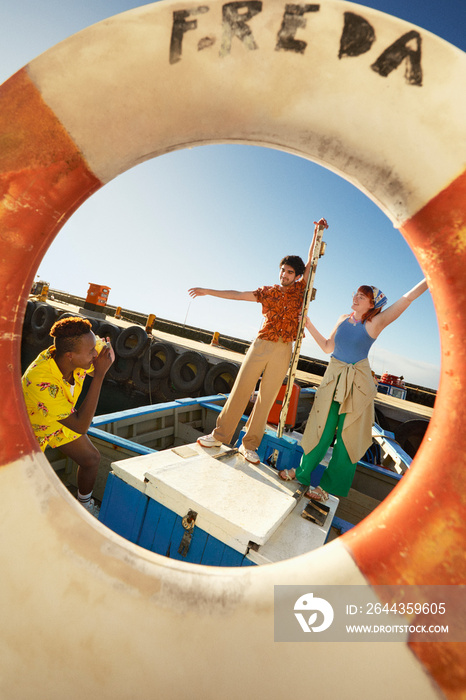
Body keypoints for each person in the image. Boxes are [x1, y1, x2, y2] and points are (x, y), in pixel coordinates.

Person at [279, 279, 428, 500]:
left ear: (371, 304)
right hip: (333, 381)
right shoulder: (341, 319)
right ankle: (302, 473)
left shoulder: (375, 323)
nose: (355, 297)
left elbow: (407, 298)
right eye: (355, 293)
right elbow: (328, 347)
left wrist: (429, 277)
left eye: (362, 296)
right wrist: (309, 325)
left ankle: (327, 489)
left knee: (348, 439)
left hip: (356, 387)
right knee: (319, 430)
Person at [188, 241, 317, 464]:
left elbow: (311, 263)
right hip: (261, 344)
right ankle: (219, 436)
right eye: (282, 270)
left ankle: (249, 445)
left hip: (284, 348)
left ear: (296, 276)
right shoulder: (268, 292)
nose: (284, 274)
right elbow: (238, 295)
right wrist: (208, 291)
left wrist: (316, 235)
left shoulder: (300, 291)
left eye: (289, 272)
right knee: (241, 388)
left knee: (266, 398)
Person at [22, 316, 114, 515]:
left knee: (91, 459)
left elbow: (105, 352)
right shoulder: (39, 379)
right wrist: (99, 376)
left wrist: (104, 350)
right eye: (91, 352)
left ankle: (84, 505)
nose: (94, 355)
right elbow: (80, 426)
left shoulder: (80, 353)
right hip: (27, 431)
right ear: (70, 356)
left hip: (58, 417)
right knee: (24, 495)